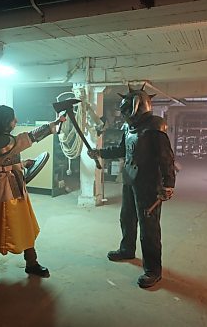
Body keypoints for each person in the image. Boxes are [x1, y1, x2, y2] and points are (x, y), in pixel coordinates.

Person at [88, 85, 176, 288]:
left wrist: (168, 184)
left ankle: (153, 270)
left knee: (149, 228)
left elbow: (166, 158)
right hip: (130, 179)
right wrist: (100, 152)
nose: (124, 114)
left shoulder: (155, 126)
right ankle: (127, 249)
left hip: (149, 185)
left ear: (138, 107)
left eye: (127, 110)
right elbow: (121, 149)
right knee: (127, 218)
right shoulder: (128, 127)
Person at [0, 105, 65, 278]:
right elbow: (26, 139)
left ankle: (32, 261)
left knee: (24, 224)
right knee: (3, 226)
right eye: (13, 118)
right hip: (5, 190)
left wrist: (22, 164)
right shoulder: (2, 140)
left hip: (15, 186)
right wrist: (53, 124)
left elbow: (7, 161)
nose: (16, 121)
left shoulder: (2, 139)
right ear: (5, 121)